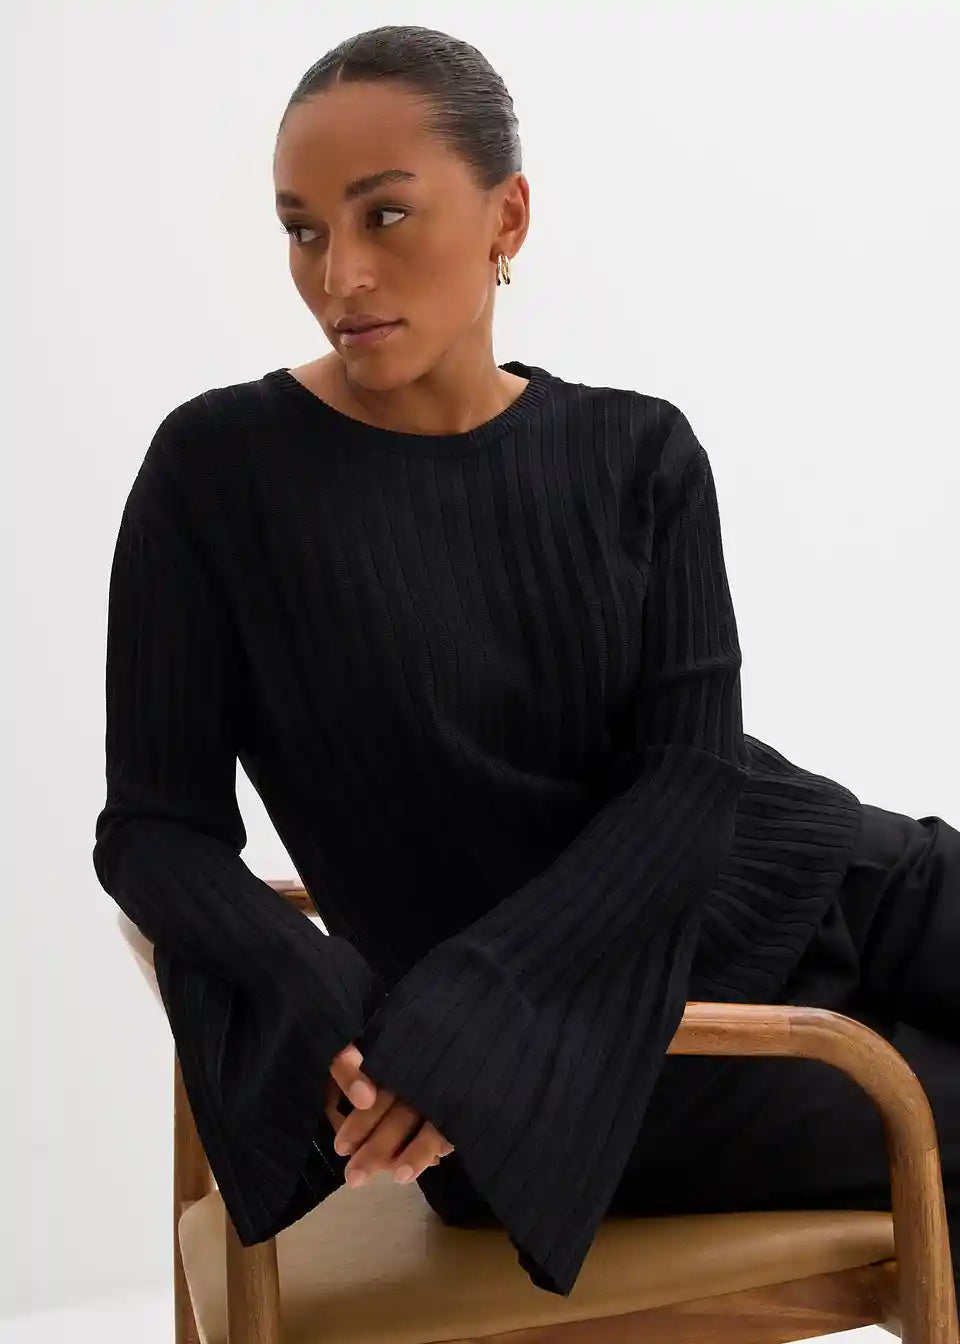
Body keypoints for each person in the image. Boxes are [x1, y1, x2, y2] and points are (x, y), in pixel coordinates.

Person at [92, 24, 959, 1301]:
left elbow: (689, 786)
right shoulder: (216, 476)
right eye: (303, 229)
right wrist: (326, 989)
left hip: (827, 878)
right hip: (581, 1070)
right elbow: (153, 831)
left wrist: (482, 985)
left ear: (508, 216)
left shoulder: (637, 452)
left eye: (386, 215)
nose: (339, 274)